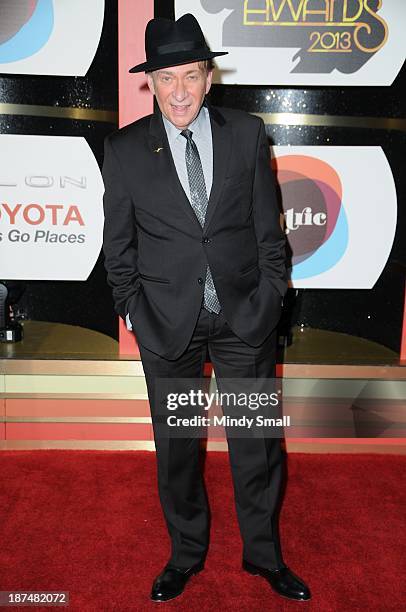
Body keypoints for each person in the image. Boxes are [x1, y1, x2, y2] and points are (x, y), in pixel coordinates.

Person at [102, 13, 310, 604]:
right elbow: (118, 251)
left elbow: (270, 235)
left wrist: (270, 301)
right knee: (178, 450)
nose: (179, 91)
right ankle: (186, 555)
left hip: (245, 318)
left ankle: (265, 557)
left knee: (257, 446)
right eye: (165, 78)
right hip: (168, 325)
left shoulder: (247, 134)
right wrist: (137, 315)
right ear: (151, 82)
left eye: (189, 75)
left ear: (208, 77)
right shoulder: (123, 151)